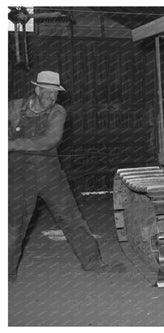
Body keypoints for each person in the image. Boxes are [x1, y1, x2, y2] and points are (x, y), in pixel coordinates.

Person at [8, 71, 125, 282]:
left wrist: (12, 144)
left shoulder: (58, 112)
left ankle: (93, 262)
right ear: (37, 89)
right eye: (49, 93)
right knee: (14, 226)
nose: (52, 98)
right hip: (18, 175)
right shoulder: (13, 107)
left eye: (55, 94)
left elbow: (50, 140)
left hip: (50, 175)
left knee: (71, 218)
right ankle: (7, 273)